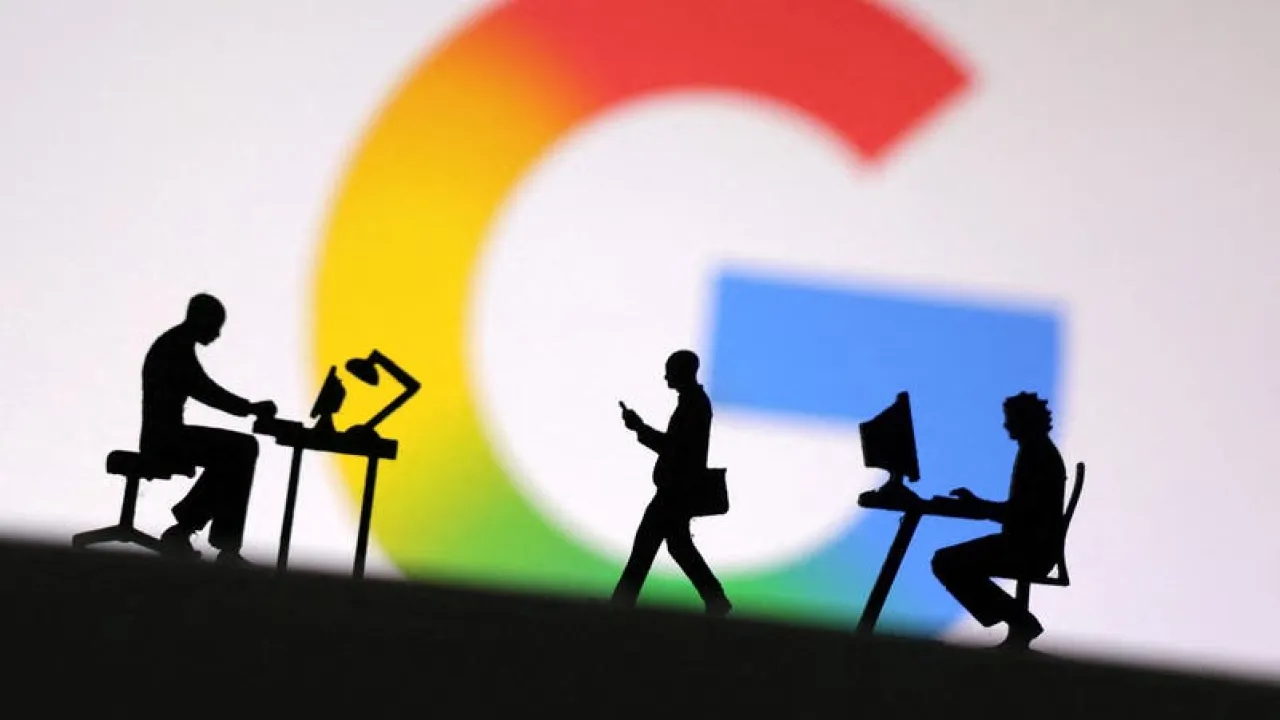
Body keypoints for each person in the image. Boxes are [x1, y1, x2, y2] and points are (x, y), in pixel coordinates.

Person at [140, 293, 277, 566]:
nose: (217, 334)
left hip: (166, 435)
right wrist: (250, 408)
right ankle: (209, 538)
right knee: (242, 449)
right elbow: (206, 391)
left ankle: (188, 529)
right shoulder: (175, 349)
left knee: (235, 454)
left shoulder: (177, 344)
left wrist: (248, 408)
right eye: (215, 326)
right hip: (165, 439)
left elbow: (202, 387)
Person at [931, 391, 1067, 649]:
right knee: (948, 561)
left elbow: (1021, 513)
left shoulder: (1037, 454)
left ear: (1025, 420)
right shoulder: (1035, 451)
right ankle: (1017, 620)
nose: (1007, 425)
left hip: (1029, 550)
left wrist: (979, 507)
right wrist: (978, 505)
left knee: (946, 562)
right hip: (1027, 545)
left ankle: (1020, 621)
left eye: (1011, 419)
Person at [612, 350, 732, 616]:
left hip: (674, 492)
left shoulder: (693, 405)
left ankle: (620, 606)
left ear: (682, 372)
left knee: (645, 547)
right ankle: (716, 599)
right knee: (679, 547)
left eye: (670, 370)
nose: (666, 376)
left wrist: (639, 428)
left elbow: (674, 448)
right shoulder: (693, 403)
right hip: (678, 491)